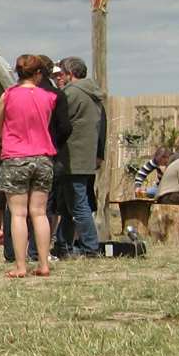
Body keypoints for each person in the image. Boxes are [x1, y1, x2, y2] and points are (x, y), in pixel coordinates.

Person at [0, 54, 60, 277]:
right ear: (38, 73)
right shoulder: (48, 97)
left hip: (16, 156)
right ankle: (43, 263)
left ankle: (21, 266)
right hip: (43, 156)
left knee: (19, 214)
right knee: (39, 213)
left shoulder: (8, 95)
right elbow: (46, 124)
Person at [57, 56, 105, 256]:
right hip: (86, 156)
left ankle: (90, 247)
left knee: (78, 205)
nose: (60, 78)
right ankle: (63, 245)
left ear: (70, 73)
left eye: (62, 73)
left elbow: (60, 120)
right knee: (70, 206)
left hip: (73, 156)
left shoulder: (72, 93)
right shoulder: (92, 94)